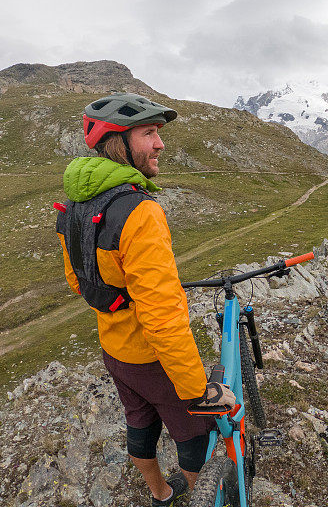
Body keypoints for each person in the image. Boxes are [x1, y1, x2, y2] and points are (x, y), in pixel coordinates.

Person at [55, 92, 235, 506]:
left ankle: (160, 493)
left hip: (114, 350)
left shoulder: (73, 203)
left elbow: (77, 281)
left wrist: (122, 300)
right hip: (154, 361)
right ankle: (201, 496)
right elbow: (163, 318)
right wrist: (197, 390)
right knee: (194, 442)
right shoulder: (140, 211)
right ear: (119, 142)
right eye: (150, 133)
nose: (160, 143)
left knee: (140, 427)